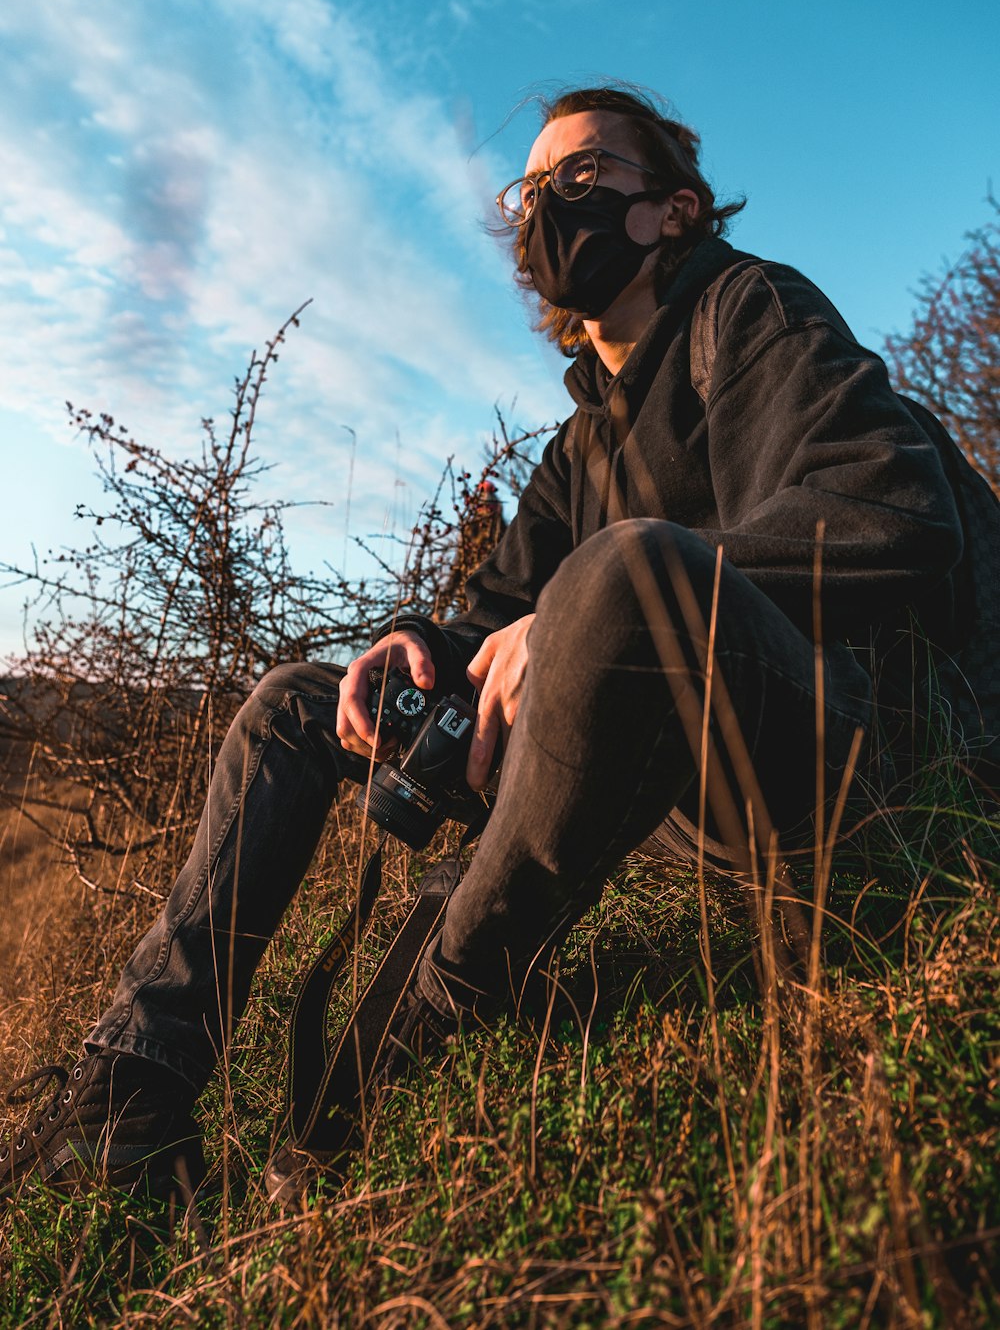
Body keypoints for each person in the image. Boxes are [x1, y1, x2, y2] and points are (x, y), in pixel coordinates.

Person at [3, 85, 995, 1209]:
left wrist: (588, 602)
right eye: (528, 192)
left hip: (821, 754)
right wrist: (412, 647)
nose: (544, 212)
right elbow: (488, 618)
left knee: (620, 574)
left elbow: (895, 512)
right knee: (293, 699)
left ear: (671, 210)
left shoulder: (746, 309)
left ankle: (411, 1034)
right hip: (649, 777)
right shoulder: (582, 439)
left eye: (579, 180)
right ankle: (135, 1088)